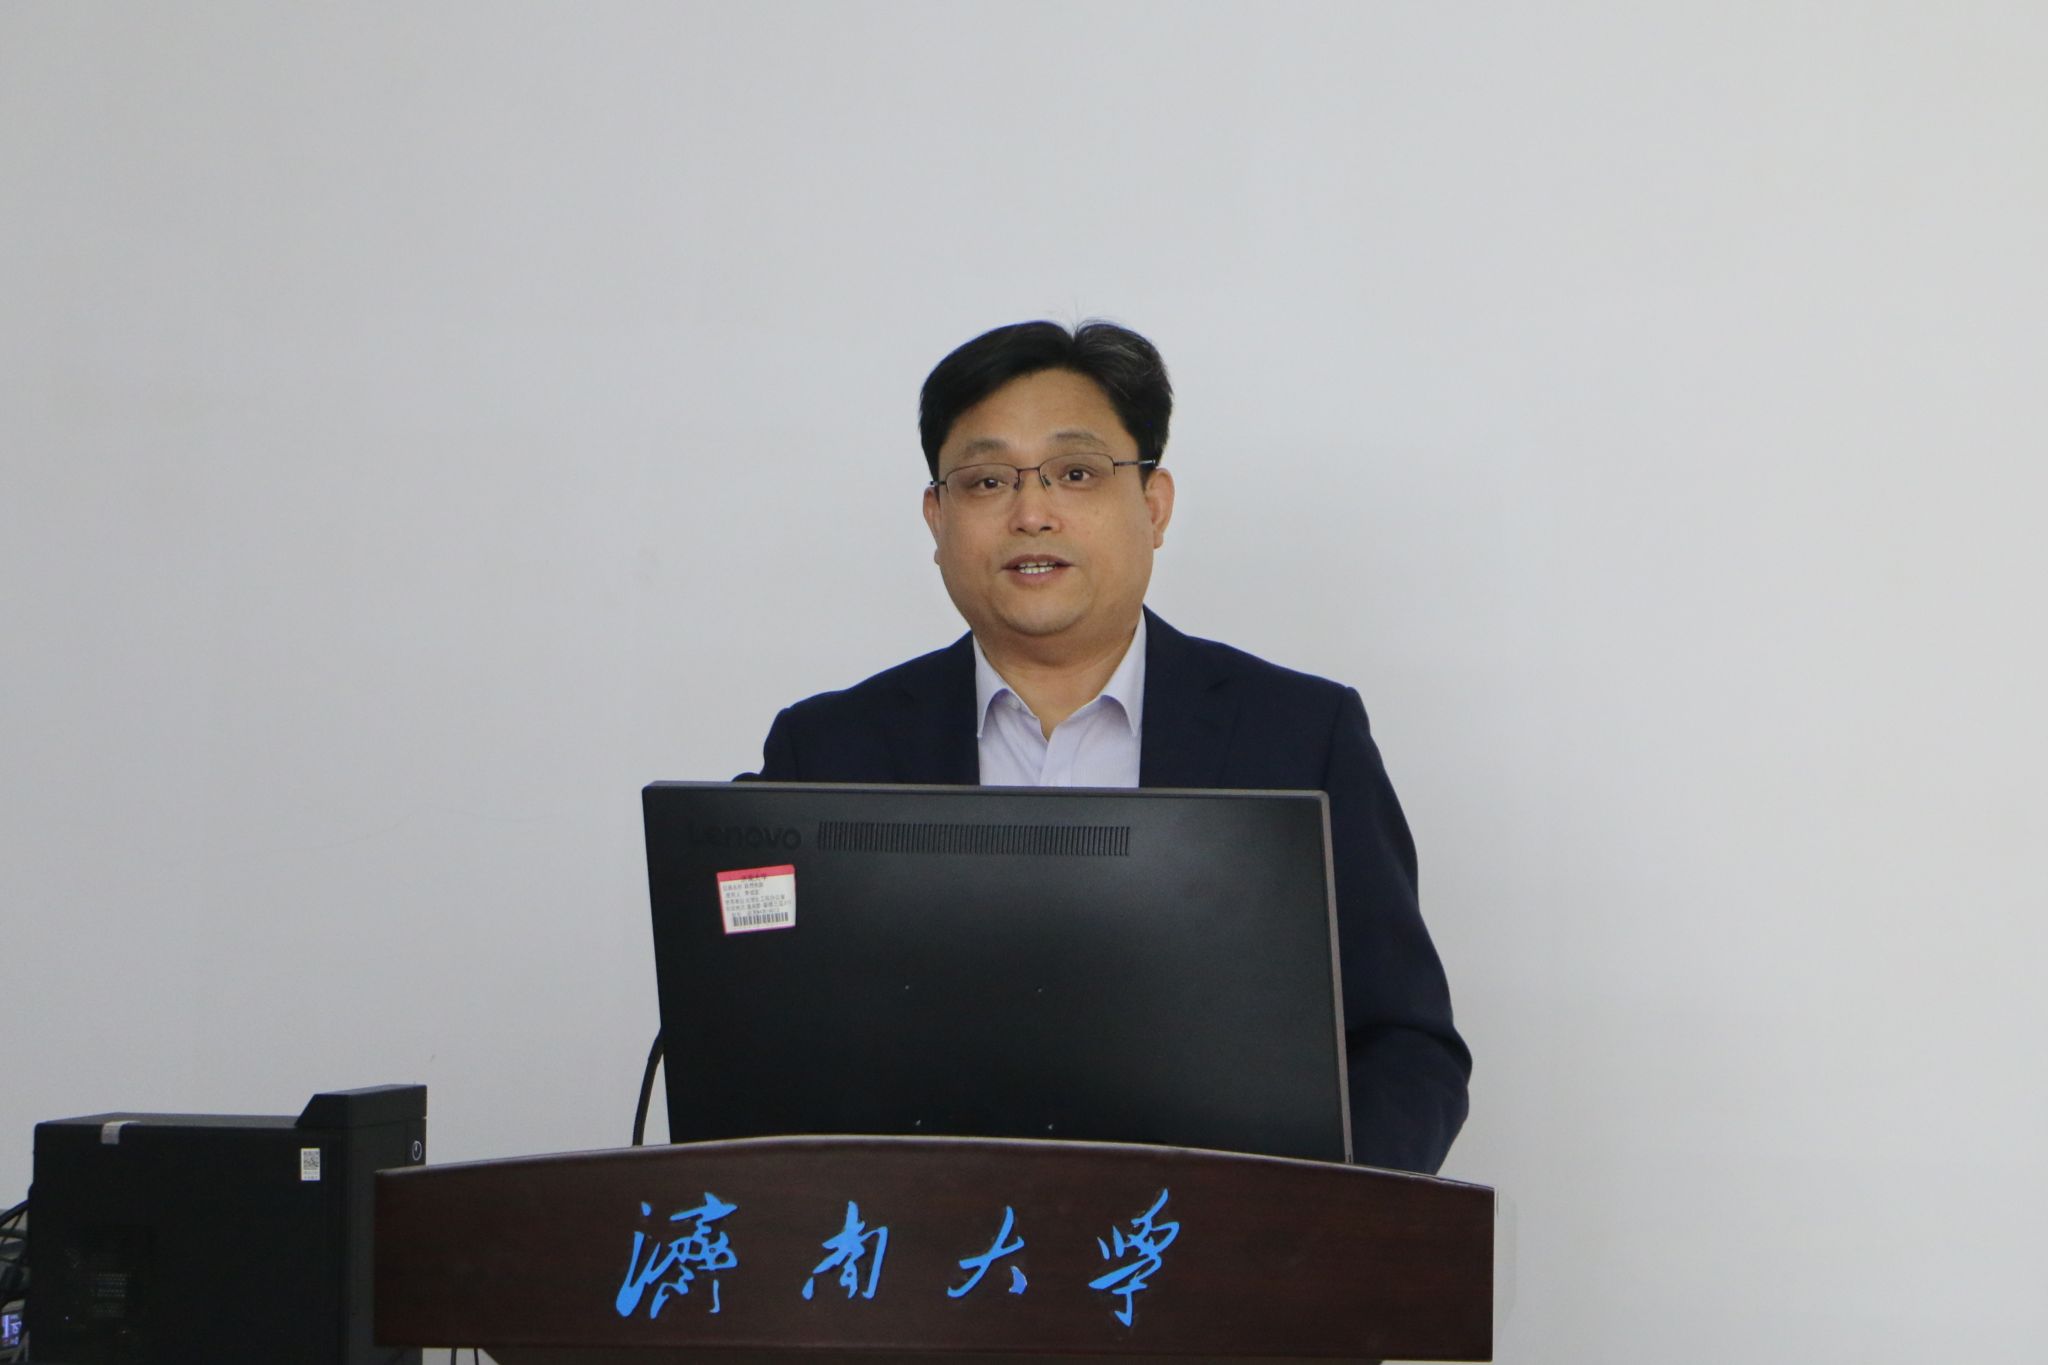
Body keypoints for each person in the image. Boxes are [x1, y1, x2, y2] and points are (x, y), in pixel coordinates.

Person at [752, 320, 1469, 1173]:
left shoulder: (1299, 736)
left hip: (1211, 1241)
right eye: (987, 481)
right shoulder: (828, 752)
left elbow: (1406, 1047)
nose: (1031, 513)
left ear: (1153, 505)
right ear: (937, 519)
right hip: (920, 1241)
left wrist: (1311, 1226)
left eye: (1076, 473)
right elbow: (759, 1051)